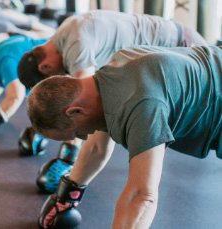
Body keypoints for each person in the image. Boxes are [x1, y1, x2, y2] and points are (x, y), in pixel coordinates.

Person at [26, 45, 222, 228]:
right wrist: (66, 197)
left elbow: (142, 197)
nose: (84, 137)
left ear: (75, 111)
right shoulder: (112, 71)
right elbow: (96, 148)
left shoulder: (140, 103)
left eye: (77, 133)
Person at [17, 9, 207, 194]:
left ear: (45, 66)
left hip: (183, 46)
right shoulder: (64, 32)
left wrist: (66, 160)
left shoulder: (76, 46)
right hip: (166, 50)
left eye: (51, 76)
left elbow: (79, 107)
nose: (57, 77)